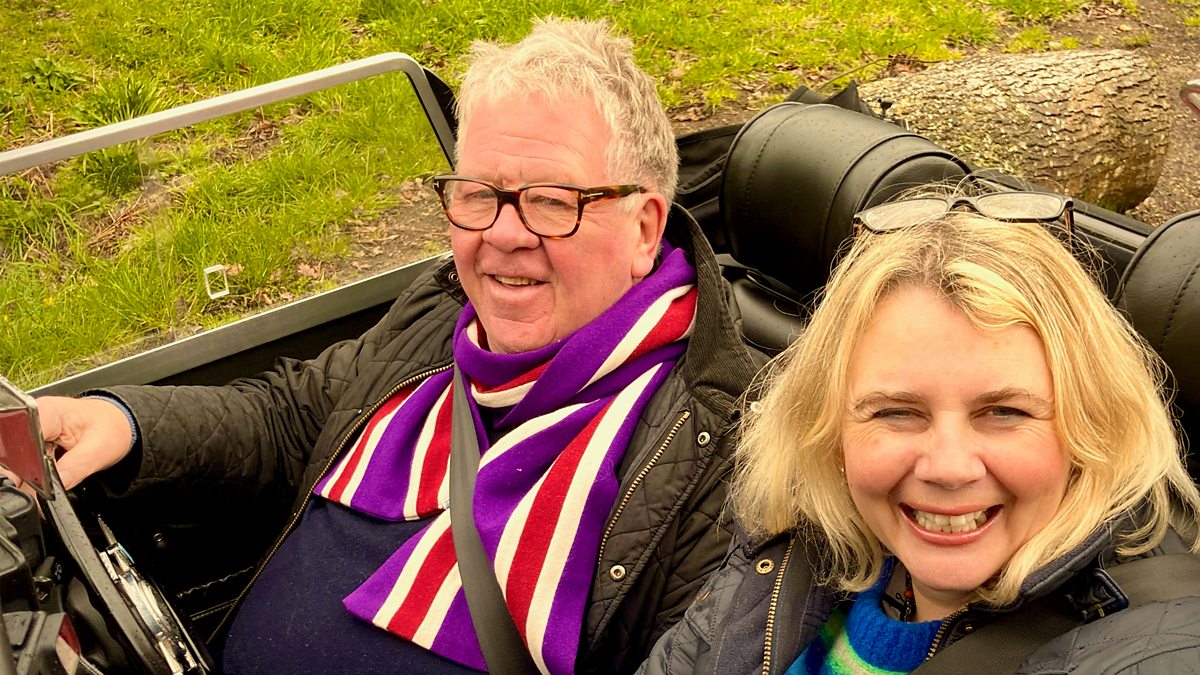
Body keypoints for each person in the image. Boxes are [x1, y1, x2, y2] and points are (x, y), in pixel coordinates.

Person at [33, 18, 761, 674]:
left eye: (551, 201)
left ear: (643, 228)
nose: (504, 234)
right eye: (478, 193)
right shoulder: (441, 312)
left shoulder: (722, 455)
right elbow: (293, 417)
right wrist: (124, 422)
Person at [639, 194, 1200, 674]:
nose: (948, 468)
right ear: (828, 427)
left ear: (1092, 424)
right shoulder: (786, 551)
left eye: (1004, 412)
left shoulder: (1150, 648)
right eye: (895, 413)